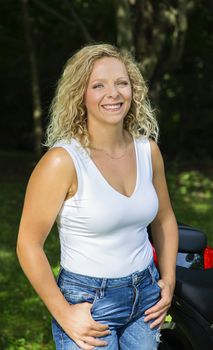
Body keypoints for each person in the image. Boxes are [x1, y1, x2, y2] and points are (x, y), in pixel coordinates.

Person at [17, 43, 178, 350]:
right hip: (89, 302)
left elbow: (165, 218)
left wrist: (167, 281)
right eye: (98, 85)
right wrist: (63, 312)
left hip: (146, 297)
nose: (113, 94)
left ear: (133, 89)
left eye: (121, 83)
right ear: (81, 94)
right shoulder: (63, 161)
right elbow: (28, 244)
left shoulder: (148, 151)